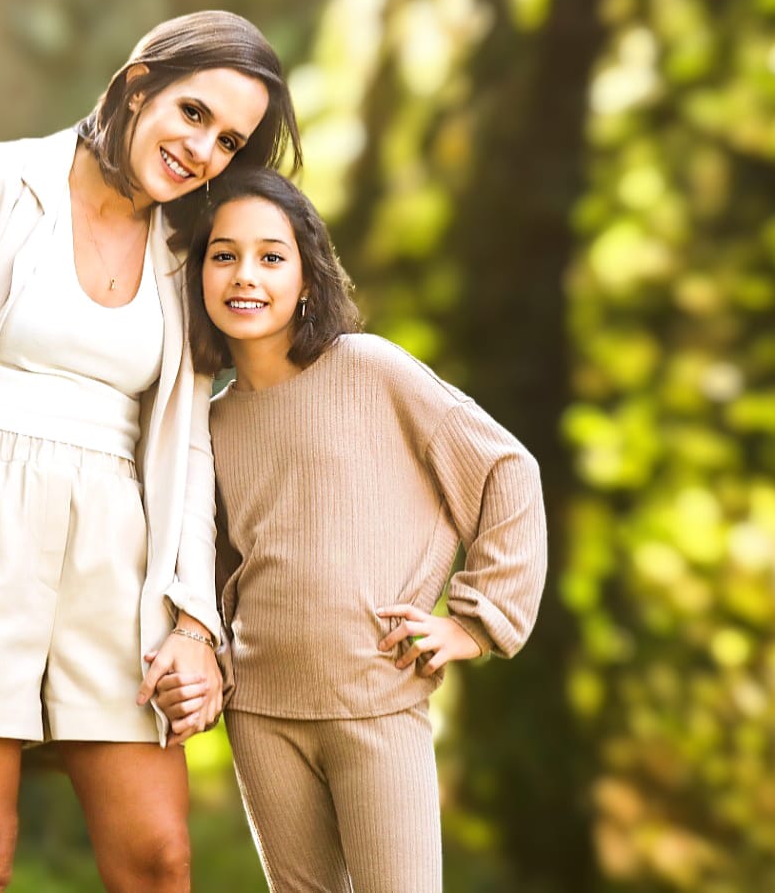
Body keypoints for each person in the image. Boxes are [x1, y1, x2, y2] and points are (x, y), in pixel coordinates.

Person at [0, 12, 302, 892]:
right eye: (194, 113)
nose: (202, 150)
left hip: (118, 560)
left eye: (229, 141)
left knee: (157, 860)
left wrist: (194, 619)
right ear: (139, 86)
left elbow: (189, 446)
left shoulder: (188, 253)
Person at [156, 167, 548, 892]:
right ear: (199, 276)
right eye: (224, 255)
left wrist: (475, 623)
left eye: (272, 256)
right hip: (261, 711)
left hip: (378, 696)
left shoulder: (371, 369)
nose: (246, 275)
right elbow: (214, 567)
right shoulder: (209, 422)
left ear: (307, 276)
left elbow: (506, 471)